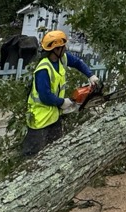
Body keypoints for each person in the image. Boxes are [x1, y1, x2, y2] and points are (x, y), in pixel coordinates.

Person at [21, 30, 99, 158]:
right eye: (63, 47)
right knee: (33, 157)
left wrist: (91, 76)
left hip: (54, 116)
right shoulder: (43, 69)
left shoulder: (62, 59)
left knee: (54, 155)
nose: (65, 48)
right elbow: (45, 96)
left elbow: (77, 62)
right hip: (40, 119)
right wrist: (62, 102)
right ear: (56, 49)